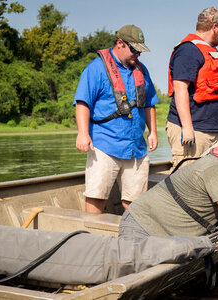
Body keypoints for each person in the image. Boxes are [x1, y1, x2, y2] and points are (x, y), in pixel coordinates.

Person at [74, 24, 159, 214]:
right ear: (120, 43)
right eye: (134, 49)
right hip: (104, 145)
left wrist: (152, 131)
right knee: (96, 198)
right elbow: (82, 102)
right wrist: (82, 133)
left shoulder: (141, 70)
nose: (138, 54)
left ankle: (133, 240)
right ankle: (93, 238)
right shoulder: (95, 69)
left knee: (135, 204)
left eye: (140, 51)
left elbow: (149, 103)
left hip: (136, 148)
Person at [166, 7, 218, 170]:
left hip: (213, 130)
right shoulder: (188, 50)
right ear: (215, 27)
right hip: (193, 131)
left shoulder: (211, 52)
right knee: (189, 180)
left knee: (214, 177)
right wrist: (187, 127)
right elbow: (180, 88)